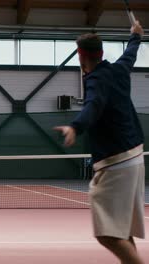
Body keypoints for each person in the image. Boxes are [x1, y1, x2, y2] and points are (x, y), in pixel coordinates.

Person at [54, 21, 145, 264]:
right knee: (122, 230)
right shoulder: (118, 69)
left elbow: (93, 105)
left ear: (81, 57)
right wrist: (136, 35)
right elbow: (130, 54)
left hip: (117, 164)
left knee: (107, 234)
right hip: (135, 156)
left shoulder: (94, 80)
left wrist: (75, 126)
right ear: (102, 53)